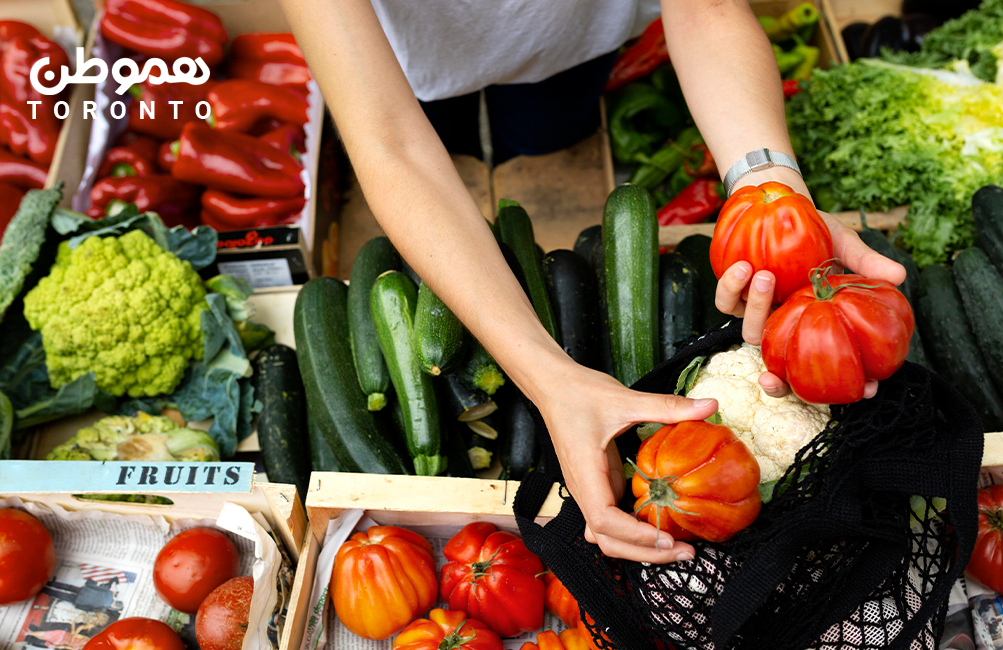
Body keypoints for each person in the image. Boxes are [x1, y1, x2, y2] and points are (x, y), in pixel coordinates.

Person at [281, 0, 906, 565]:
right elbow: (391, 141)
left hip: (574, 35)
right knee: (441, 122)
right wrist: (550, 381)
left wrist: (770, 194)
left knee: (547, 122)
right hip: (408, 51)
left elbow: (707, 6)